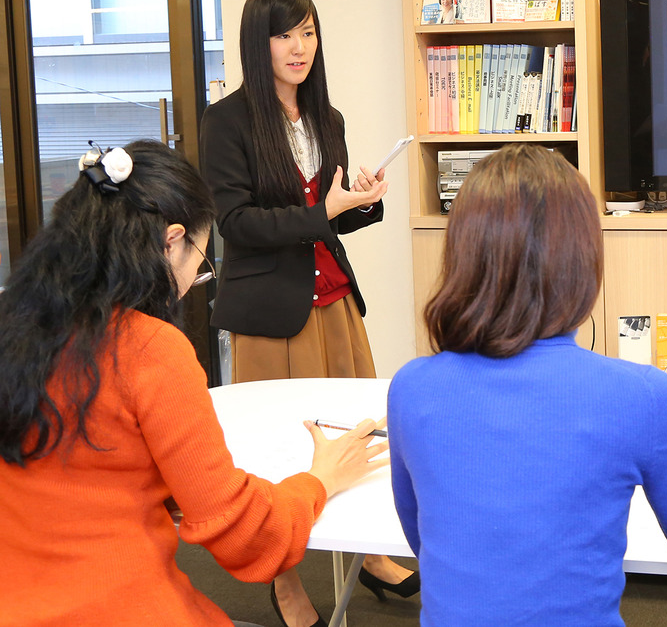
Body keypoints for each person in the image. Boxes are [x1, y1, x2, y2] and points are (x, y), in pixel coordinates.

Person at [0, 140, 389, 627]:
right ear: (172, 240)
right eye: (201, 261)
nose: (192, 277)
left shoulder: (15, 330)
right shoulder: (149, 349)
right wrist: (320, 480)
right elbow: (240, 533)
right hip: (118, 603)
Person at [388, 144, 667, 626]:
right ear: (582, 258)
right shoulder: (641, 397)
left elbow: (426, 541)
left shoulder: (411, 388)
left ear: (463, 252)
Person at [199, 0, 413, 627]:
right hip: (271, 312)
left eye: (309, 33)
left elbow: (329, 221)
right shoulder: (227, 121)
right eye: (285, 34)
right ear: (257, 43)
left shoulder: (328, 118)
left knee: (358, 436)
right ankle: (284, 581)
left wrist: (364, 200)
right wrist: (325, 210)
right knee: (278, 455)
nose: (300, 48)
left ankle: (368, 556)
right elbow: (236, 224)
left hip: (335, 302)